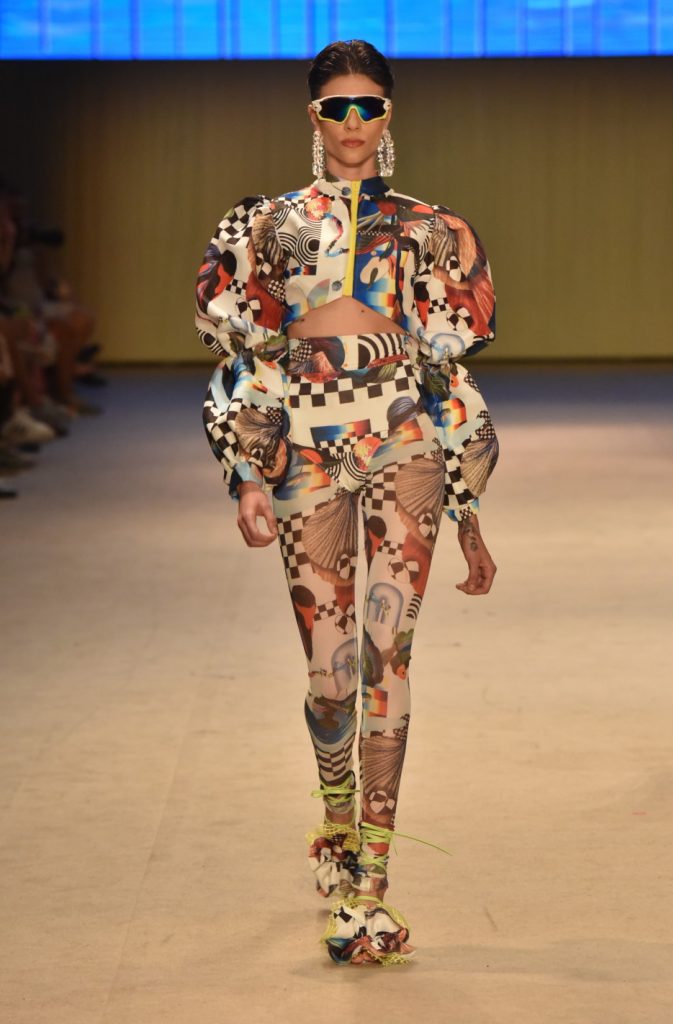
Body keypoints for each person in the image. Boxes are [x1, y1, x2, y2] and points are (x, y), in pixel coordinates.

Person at [194, 39, 499, 966]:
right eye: (338, 106)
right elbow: (243, 356)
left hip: (405, 442)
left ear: (390, 113)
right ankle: (335, 822)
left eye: (370, 105)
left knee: (386, 658)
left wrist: (469, 511)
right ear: (314, 116)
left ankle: (371, 887)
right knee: (330, 678)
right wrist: (246, 473)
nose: (355, 121)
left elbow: (447, 372)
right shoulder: (265, 226)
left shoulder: (435, 230)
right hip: (304, 447)